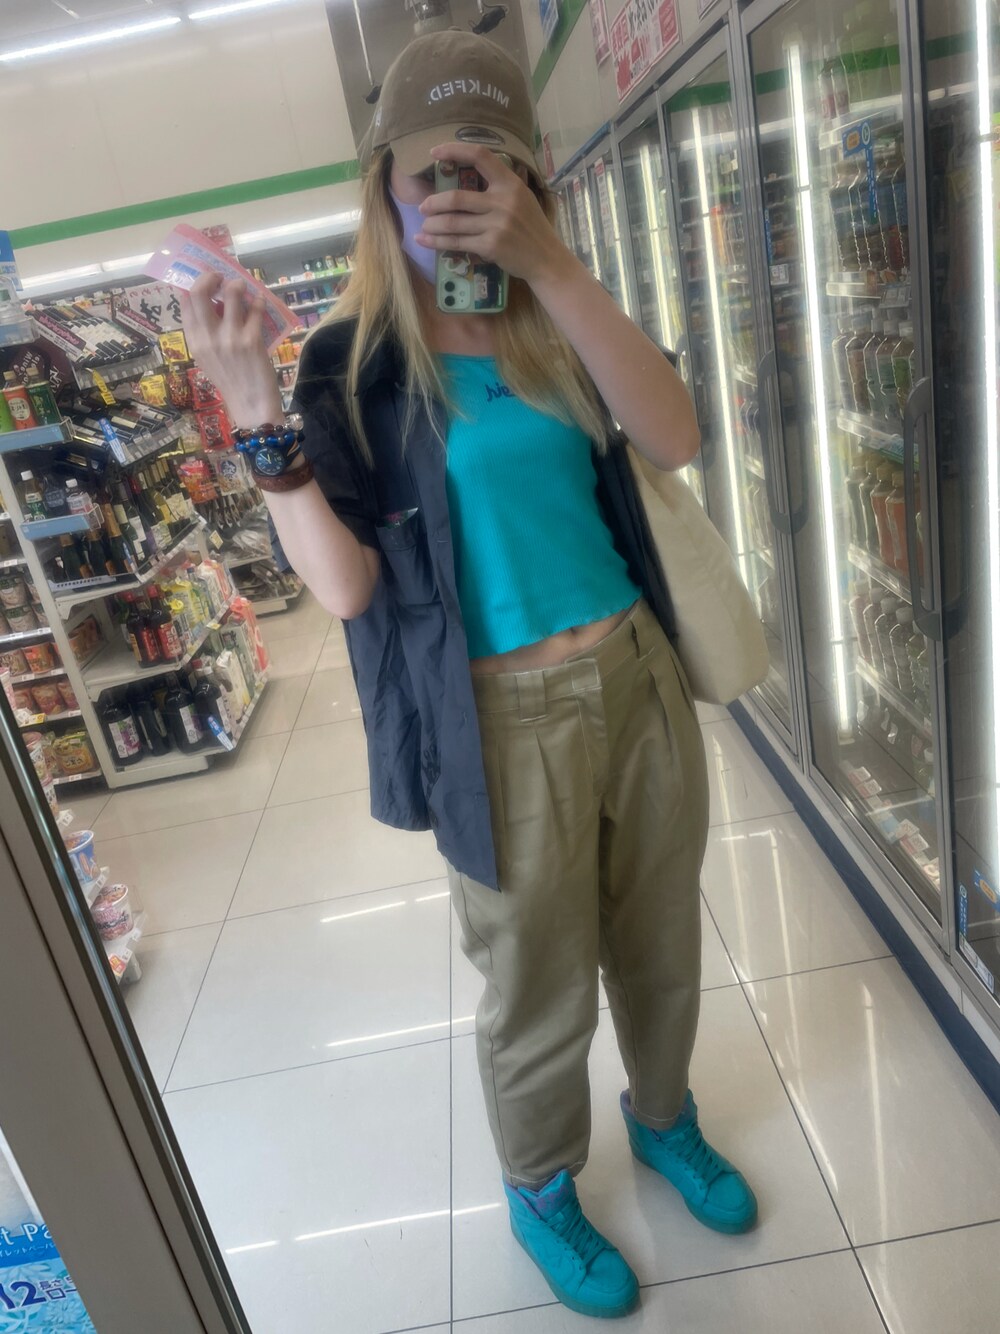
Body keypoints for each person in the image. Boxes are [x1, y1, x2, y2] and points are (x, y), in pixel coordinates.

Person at [182, 28, 756, 1321]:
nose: (456, 195)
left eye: (488, 167)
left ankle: (664, 1116)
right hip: (494, 720)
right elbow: (346, 588)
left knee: (662, 941)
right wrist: (259, 418)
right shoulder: (355, 364)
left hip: (637, 679)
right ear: (383, 187)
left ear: (531, 174)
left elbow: (675, 435)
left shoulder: (558, 312)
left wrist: (551, 263)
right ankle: (542, 1187)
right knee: (536, 984)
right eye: (429, 171)